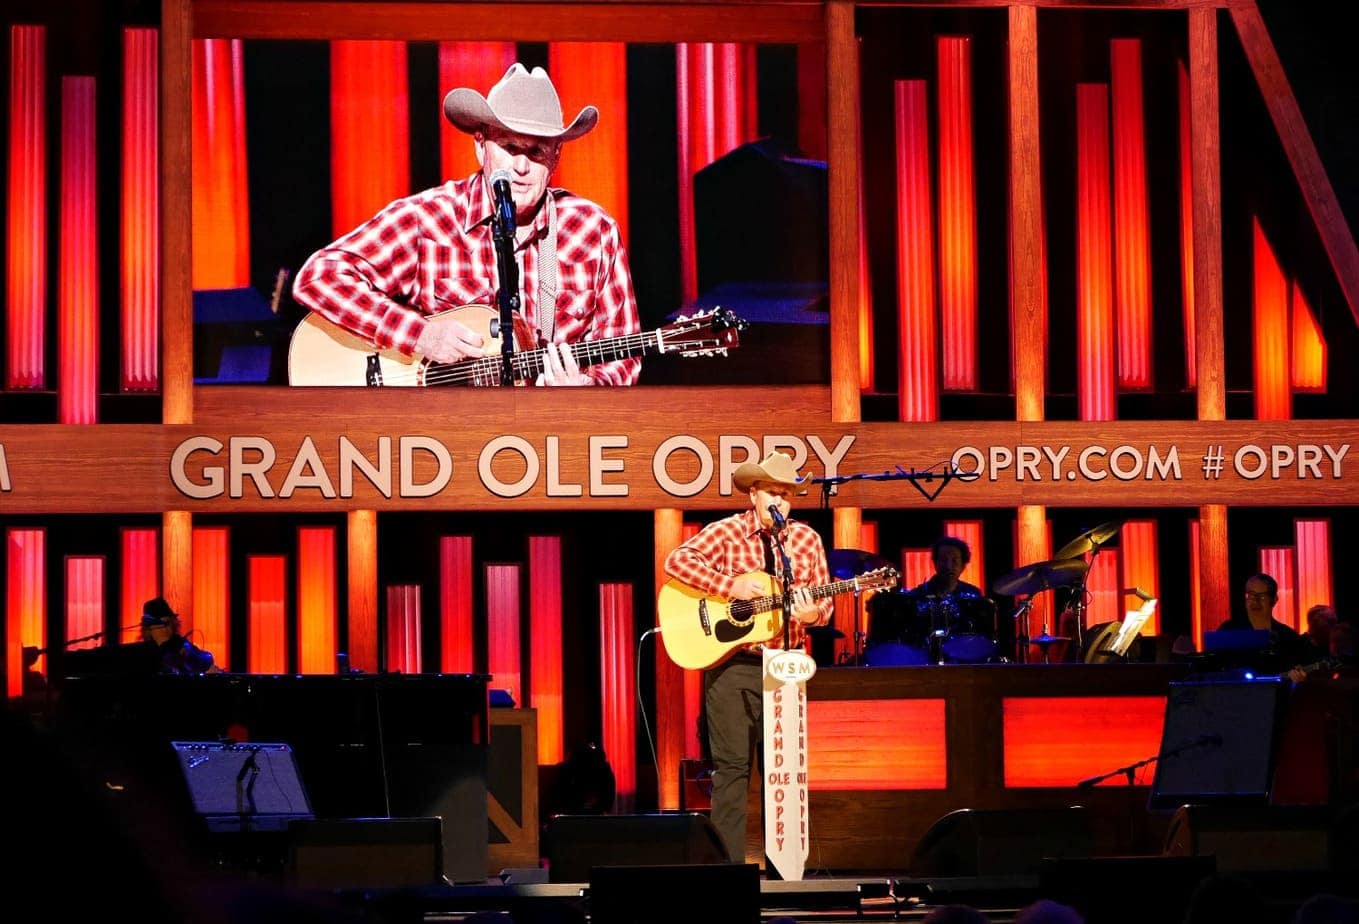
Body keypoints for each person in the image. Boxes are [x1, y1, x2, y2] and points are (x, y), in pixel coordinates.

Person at [292, 62, 641, 386]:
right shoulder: (428, 219)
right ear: (481, 146)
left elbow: (624, 355)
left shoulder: (594, 231)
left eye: (536, 152)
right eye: (509, 147)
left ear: (555, 158)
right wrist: (420, 335)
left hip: (543, 435)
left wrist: (586, 386)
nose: (521, 167)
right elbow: (318, 277)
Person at [663, 451, 831, 864]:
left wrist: (812, 612)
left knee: (783, 772)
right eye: (773, 492)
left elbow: (824, 609)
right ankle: (728, 870)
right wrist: (729, 586)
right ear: (754, 494)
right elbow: (676, 560)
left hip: (787, 665)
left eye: (788, 495)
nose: (781, 501)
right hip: (733, 665)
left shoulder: (806, 540)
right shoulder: (726, 533)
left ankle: (785, 868)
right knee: (733, 770)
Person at [911, 536, 995, 663]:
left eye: (954, 561)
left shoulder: (973, 595)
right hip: (925, 660)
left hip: (965, 661)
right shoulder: (918, 594)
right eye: (943, 560)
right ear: (935, 562)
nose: (948, 566)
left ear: (963, 565)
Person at [1215, 573, 1313, 672]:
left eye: (1261, 597)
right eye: (1251, 595)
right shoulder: (1228, 630)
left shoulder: (1288, 636)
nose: (1255, 601)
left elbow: (1301, 668)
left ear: (1274, 600)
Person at [140, 597, 220, 675]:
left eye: (169, 622)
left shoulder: (180, 643)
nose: (168, 628)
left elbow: (206, 659)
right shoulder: (144, 653)